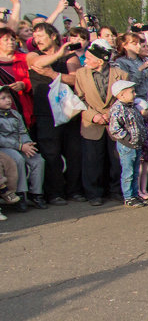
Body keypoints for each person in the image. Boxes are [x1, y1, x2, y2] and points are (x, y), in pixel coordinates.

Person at [26, 21, 84, 203]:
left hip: (68, 111)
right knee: (51, 153)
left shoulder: (70, 57)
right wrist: (59, 54)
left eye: (41, 35)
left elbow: (76, 79)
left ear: (53, 36)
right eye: (34, 37)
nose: (37, 40)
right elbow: (37, 63)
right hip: (45, 112)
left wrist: (54, 75)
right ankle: (55, 193)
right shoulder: (33, 54)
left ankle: (74, 190)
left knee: (73, 152)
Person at [74, 39, 121, 206]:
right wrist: (93, 116)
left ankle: (116, 190)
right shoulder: (81, 74)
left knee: (116, 160)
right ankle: (94, 193)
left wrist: (109, 114)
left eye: (88, 58)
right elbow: (78, 99)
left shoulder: (120, 74)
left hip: (113, 122)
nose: (85, 61)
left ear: (100, 60)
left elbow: (123, 97)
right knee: (92, 160)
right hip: (92, 123)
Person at [0, 85, 44, 211]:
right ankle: (21, 194)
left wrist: (28, 145)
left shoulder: (15, 114)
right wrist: (20, 146)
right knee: (18, 159)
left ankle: (36, 194)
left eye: (8, 97)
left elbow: (23, 132)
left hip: (21, 146)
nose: (8, 100)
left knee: (38, 160)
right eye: (3, 98)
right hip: (5, 148)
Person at [106, 79, 146, 208]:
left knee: (135, 172)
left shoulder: (132, 107)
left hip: (136, 144)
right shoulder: (118, 108)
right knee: (128, 172)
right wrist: (128, 138)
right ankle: (128, 197)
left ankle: (135, 194)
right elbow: (114, 128)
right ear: (121, 95)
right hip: (127, 146)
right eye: (132, 92)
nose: (135, 94)